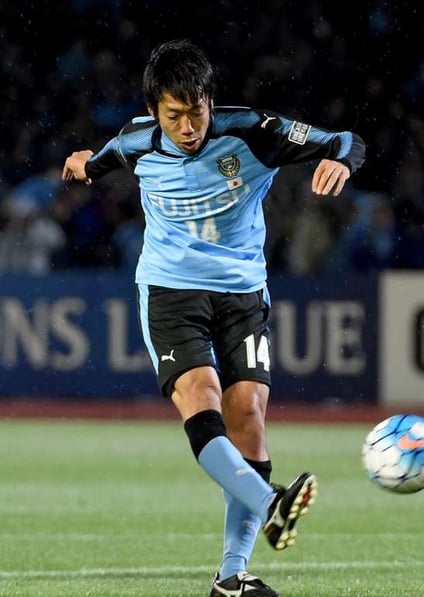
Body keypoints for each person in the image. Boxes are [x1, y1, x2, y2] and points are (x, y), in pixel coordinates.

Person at [61, 39, 366, 597]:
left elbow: (347, 139)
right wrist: (82, 164)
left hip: (243, 296)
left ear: (209, 101)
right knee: (200, 397)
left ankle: (232, 577)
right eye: (174, 115)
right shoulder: (135, 142)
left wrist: (339, 160)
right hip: (171, 293)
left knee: (247, 414)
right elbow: (98, 162)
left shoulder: (251, 131)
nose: (187, 127)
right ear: (154, 110)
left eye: (196, 112)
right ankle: (271, 503)